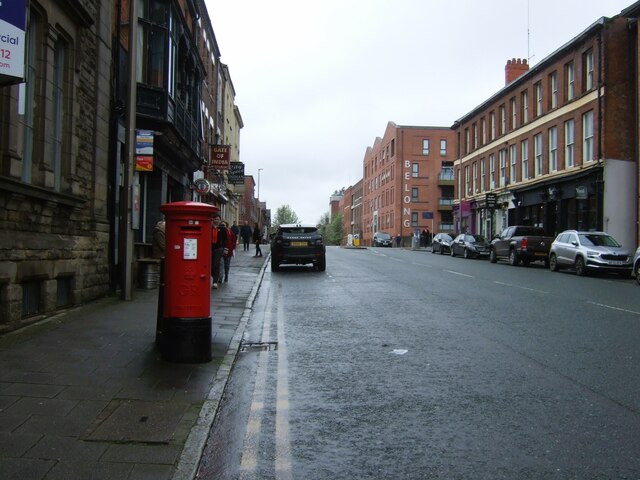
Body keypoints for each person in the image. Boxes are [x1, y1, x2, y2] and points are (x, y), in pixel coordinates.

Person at [210, 213, 228, 289]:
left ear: (220, 220)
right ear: (212, 220)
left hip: (219, 248)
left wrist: (224, 248)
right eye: (215, 219)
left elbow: (225, 239)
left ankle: (215, 282)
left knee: (216, 264)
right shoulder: (209, 228)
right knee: (210, 265)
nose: (216, 221)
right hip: (210, 248)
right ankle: (213, 278)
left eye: (218, 219)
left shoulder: (223, 229)